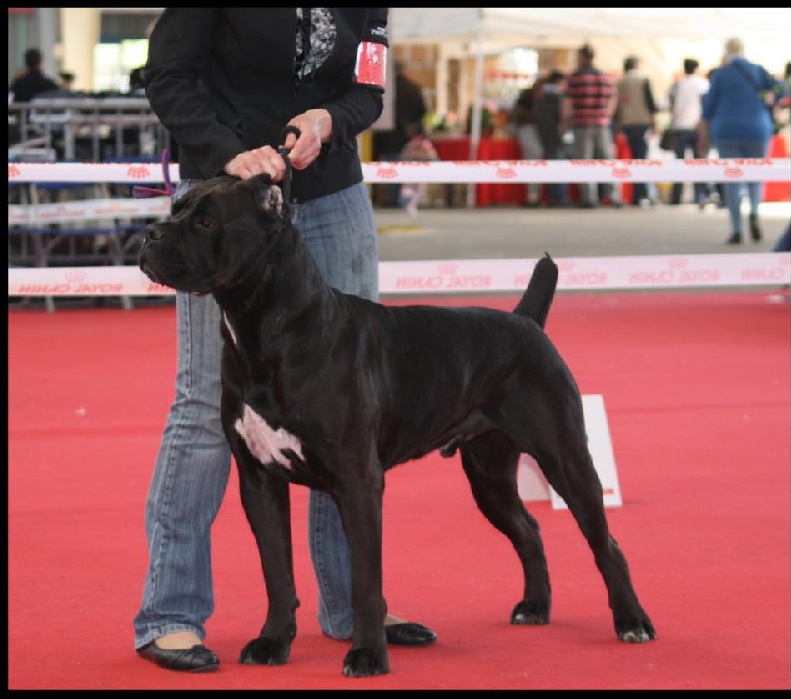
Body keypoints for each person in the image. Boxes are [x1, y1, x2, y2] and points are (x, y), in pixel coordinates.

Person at [134, 8, 436, 674]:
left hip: (334, 194)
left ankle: (353, 607)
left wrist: (331, 120)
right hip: (223, 201)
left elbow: (368, 89)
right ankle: (170, 614)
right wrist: (227, 151)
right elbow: (168, 74)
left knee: (349, 408)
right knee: (205, 405)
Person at [699, 37, 784, 245]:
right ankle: (754, 211)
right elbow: (782, 88)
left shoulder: (720, 74)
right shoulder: (757, 70)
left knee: (732, 179)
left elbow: (708, 109)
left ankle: (736, 228)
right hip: (757, 128)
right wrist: (772, 101)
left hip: (726, 130)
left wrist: (703, 138)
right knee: (756, 175)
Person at [563, 44, 623, 209]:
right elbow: (613, 99)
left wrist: (565, 123)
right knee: (608, 160)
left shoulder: (575, 78)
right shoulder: (604, 76)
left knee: (584, 161)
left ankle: (589, 197)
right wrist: (606, 115)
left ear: (581, 57)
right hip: (602, 124)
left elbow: (567, 104)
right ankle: (614, 195)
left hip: (582, 124)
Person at [371, 61, 428, 207]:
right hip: (409, 136)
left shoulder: (385, 89)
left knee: (390, 167)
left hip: (389, 136)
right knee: (408, 167)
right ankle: (406, 198)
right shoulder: (414, 87)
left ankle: (391, 198)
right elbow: (422, 111)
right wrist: (412, 125)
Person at [666, 58, 711, 207]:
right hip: (697, 127)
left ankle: (676, 197)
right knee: (698, 163)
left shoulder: (677, 84)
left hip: (680, 126)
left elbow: (671, 101)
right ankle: (700, 195)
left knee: (679, 164)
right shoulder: (703, 84)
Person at [615, 55, 659, 208]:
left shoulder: (621, 81)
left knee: (632, 159)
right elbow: (650, 103)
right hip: (642, 122)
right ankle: (643, 193)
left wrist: (619, 124)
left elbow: (618, 104)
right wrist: (654, 124)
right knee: (642, 159)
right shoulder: (644, 79)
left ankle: (634, 195)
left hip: (627, 123)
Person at [532, 69, 569, 207]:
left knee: (553, 166)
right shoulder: (557, 97)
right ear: (559, 82)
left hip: (546, 135)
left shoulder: (541, 95)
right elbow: (562, 117)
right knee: (560, 167)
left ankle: (554, 198)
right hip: (556, 136)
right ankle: (560, 198)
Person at [510, 73, 546, 206]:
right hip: (527, 129)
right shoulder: (526, 98)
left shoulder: (543, 98)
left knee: (535, 161)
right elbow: (517, 114)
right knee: (533, 159)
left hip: (536, 131)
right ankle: (532, 195)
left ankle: (534, 195)